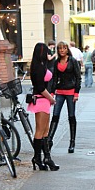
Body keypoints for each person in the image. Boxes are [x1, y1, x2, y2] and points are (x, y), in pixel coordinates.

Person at [27, 42, 59, 171]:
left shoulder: (39, 65)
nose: (48, 54)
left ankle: (46, 157)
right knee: (40, 130)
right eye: (46, 52)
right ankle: (38, 158)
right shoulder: (39, 67)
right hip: (41, 99)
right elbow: (40, 87)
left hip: (44, 100)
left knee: (45, 130)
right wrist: (51, 98)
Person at [48, 41, 81, 153]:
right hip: (60, 92)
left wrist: (76, 93)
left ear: (67, 49)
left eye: (64, 48)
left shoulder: (73, 61)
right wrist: (52, 93)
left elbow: (78, 78)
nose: (62, 50)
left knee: (71, 116)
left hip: (71, 92)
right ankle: (49, 140)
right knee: (55, 115)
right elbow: (54, 78)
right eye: (60, 48)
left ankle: (72, 142)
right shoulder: (56, 62)